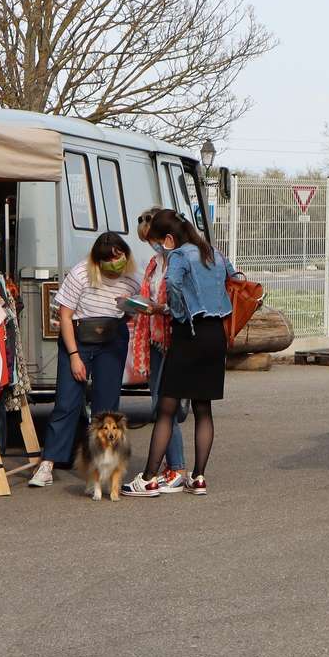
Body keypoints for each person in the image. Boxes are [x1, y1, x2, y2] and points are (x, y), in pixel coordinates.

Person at [128, 209, 236, 497]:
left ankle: (149, 478)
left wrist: (175, 309)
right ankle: (198, 477)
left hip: (189, 333)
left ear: (168, 238)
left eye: (157, 240)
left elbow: (174, 283)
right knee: (203, 408)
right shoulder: (211, 251)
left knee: (166, 407)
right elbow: (235, 277)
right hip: (216, 335)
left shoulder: (178, 255)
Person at [27, 233, 140, 488]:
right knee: (67, 402)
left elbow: (133, 311)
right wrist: (75, 356)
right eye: (109, 260)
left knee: (107, 407)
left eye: (119, 257)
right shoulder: (80, 274)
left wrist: (134, 308)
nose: (115, 264)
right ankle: (48, 463)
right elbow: (64, 317)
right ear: (97, 261)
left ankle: (103, 469)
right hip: (78, 337)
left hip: (112, 340)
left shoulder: (133, 278)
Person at [132, 208, 189, 492]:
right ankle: (173, 466)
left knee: (165, 406)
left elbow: (182, 304)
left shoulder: (181, 261)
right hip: (155, 338)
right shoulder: (155, 264)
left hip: (175, 339)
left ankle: (177, 468)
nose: (151, 245)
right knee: (160, 405)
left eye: (152, 239)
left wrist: (160, 308)